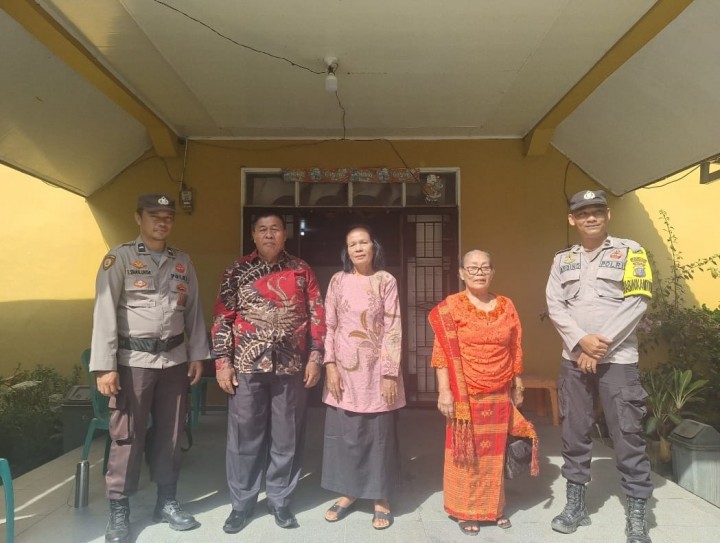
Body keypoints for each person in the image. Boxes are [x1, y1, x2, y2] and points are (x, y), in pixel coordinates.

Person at [90, 193, 209, 543]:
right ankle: (119, 511)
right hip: (132, 363)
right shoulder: (120, 258)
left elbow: (194, 312)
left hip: (173, 361)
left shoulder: (182, 262)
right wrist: (104, 367)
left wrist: (198, 355)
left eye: (168, 216)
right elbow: (104, 312)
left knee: (171, 433)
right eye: (154, 216)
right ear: (138, 218)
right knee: (127, 435)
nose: (162, 222)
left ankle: (167, 502)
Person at [546, 189, 654, 543]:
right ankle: (576, 506)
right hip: (573, 360)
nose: (590, 218)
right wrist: (580, 342)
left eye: (596, 211)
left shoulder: (631, 251)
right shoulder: (562, 259)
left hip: (618, 360)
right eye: (582, 213)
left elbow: (637, 301)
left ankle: (638, 515)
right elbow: (555, 305)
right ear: (571, 219)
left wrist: (597, 345)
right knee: (574, 432)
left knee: (627, 435)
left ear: (607, 215)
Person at [212, 211, 325, 534]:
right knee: (244, 437)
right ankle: (242, 504)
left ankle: (280, 500)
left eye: (275, 229)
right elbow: (223, 317)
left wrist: (316, 357)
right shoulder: (236, 271)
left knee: (287, 436)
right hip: (247, 367)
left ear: (285, 235)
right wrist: (223, 362)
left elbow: (318, 315)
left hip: (291, 366)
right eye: (262, 230)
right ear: (253, 235)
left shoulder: (301, 271)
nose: (269, 234)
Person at [429, 250, 538, 537]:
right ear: (462, 273)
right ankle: (465, 510)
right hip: (466, 394)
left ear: (493, 272)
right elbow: (441, 354)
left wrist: (518, 383)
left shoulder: (506, 305)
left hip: (500, 391)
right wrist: (444, 392)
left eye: (485, 267)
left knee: (495, 454)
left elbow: (515, 347)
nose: (479, 272)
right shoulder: (451, 307)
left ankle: (494, 508)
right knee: (467, 454)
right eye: (472, 267)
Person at [321, 225, 405, 530]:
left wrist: (389, 373)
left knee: (378, 435)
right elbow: (328, 325)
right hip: (343, 371)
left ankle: (381, 497)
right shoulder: (337, 281)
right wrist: (329, 364)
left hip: (376, 371)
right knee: (347, 435)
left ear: (373, 246)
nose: (358, 248)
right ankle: (349, 492)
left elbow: (393, 327)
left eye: (363, 242)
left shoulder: (386, 281)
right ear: (347, 251)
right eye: (352, 244)